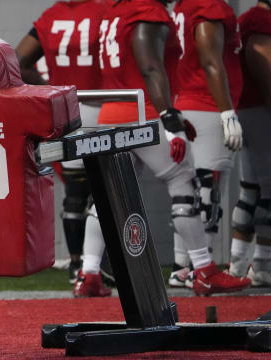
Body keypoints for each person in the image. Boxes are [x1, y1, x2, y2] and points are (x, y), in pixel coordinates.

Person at [74, 0, 249, 297]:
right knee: (183, 184)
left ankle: (88, 273)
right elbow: (151, 67)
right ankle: (203, 270)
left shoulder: (115, 12)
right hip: (144, 113)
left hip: (112, 112)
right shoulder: (146, 10)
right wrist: (169, 116)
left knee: (107, 194)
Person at [15, 0, 111, 284]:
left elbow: (19, 62)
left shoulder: (51, 15)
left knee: (75, 191)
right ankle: (98, 263)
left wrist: (51, 88)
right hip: (102, 104)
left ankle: (77, 266)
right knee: (105, 191)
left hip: (68, 108)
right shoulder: (104, 10)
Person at [168, 0, 243, 289]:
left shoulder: (183, 7)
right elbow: (211, 59)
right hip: (208, 105)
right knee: (208, 189)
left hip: (186, 101)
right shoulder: (209, 6)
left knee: (187, 191)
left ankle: (181, 267)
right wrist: (227, 113)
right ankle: (203, 268)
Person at [228, 0, 271, 287]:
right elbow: (264, 67)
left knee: (251, 189)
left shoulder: (248, 18)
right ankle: (264, 266)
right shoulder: (259, 19)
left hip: (247, 106)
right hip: (259, 108)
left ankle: (238, 265)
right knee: (268, 188)